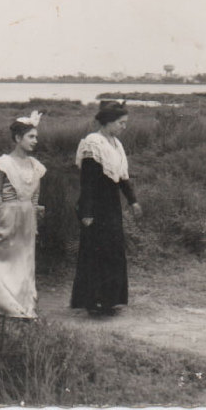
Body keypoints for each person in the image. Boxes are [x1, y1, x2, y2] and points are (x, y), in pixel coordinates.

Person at [71, 100, 142, 316]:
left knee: (113, 250)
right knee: (96, 251)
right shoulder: (94, 144)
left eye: (125, 123)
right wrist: (87, 212)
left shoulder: (116, 144)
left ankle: (111, 299)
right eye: (121, 122)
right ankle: (94, 301)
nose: (124, 127)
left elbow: (122, 177)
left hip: (112, 204)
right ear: (108, 122)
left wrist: (133, 201)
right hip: (97, 205)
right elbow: (88, 181)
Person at [0, 111, 46, 319]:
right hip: (7, 217)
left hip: (26, 219)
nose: (35, 141)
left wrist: (34, 224)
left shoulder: (35, 165)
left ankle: (22, 303)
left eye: (36, 137)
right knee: (0, 259)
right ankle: (1, 304)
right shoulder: (2, 164)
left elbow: (34, 197)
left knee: (23, 261)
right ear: (17, 138)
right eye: (31, 137)